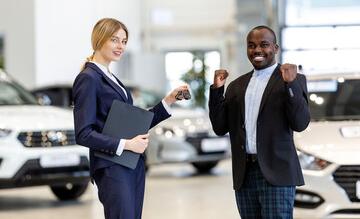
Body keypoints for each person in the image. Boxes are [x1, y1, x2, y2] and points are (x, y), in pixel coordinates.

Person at [72, 18, 189, 219]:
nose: (120, 46)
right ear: (100, 40)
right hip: (112, 167)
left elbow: (134, 124)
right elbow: (83, 134)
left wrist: (168, 101)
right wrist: (126, 144)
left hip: (131, 164)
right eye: (114, 40)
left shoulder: (111, 78)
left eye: (124, 41)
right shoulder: (89, 78)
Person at [208, 25, 310, 218]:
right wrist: (217, 90)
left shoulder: (293, 80)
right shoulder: (236, 86)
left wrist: (290, 84)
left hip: (277, 173)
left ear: (276, 49)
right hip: (244, 174)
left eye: (264, 45)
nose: (257, 50)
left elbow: (300, 123)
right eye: (251, 45)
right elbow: (220, 128)